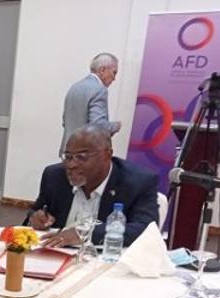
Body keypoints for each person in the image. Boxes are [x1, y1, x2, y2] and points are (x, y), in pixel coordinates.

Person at [25, 125, 158, 248]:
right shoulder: (54, 176)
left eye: (81, 157)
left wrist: (85, 234)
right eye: (68, 157)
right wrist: (36, 219)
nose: (71, 165)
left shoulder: (138, 182)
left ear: (107, 155)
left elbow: (146, 230)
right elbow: (36, 211)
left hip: (104, 259)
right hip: (55, 255)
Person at [59, 52, 122, 156]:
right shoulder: (99, 90)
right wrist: (115, 126)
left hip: (68, 152)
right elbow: (98, 127)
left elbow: (65, 121)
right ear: (102, 70)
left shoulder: (74, 87)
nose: (114, 78)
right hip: (85, 156)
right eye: (114, 72)